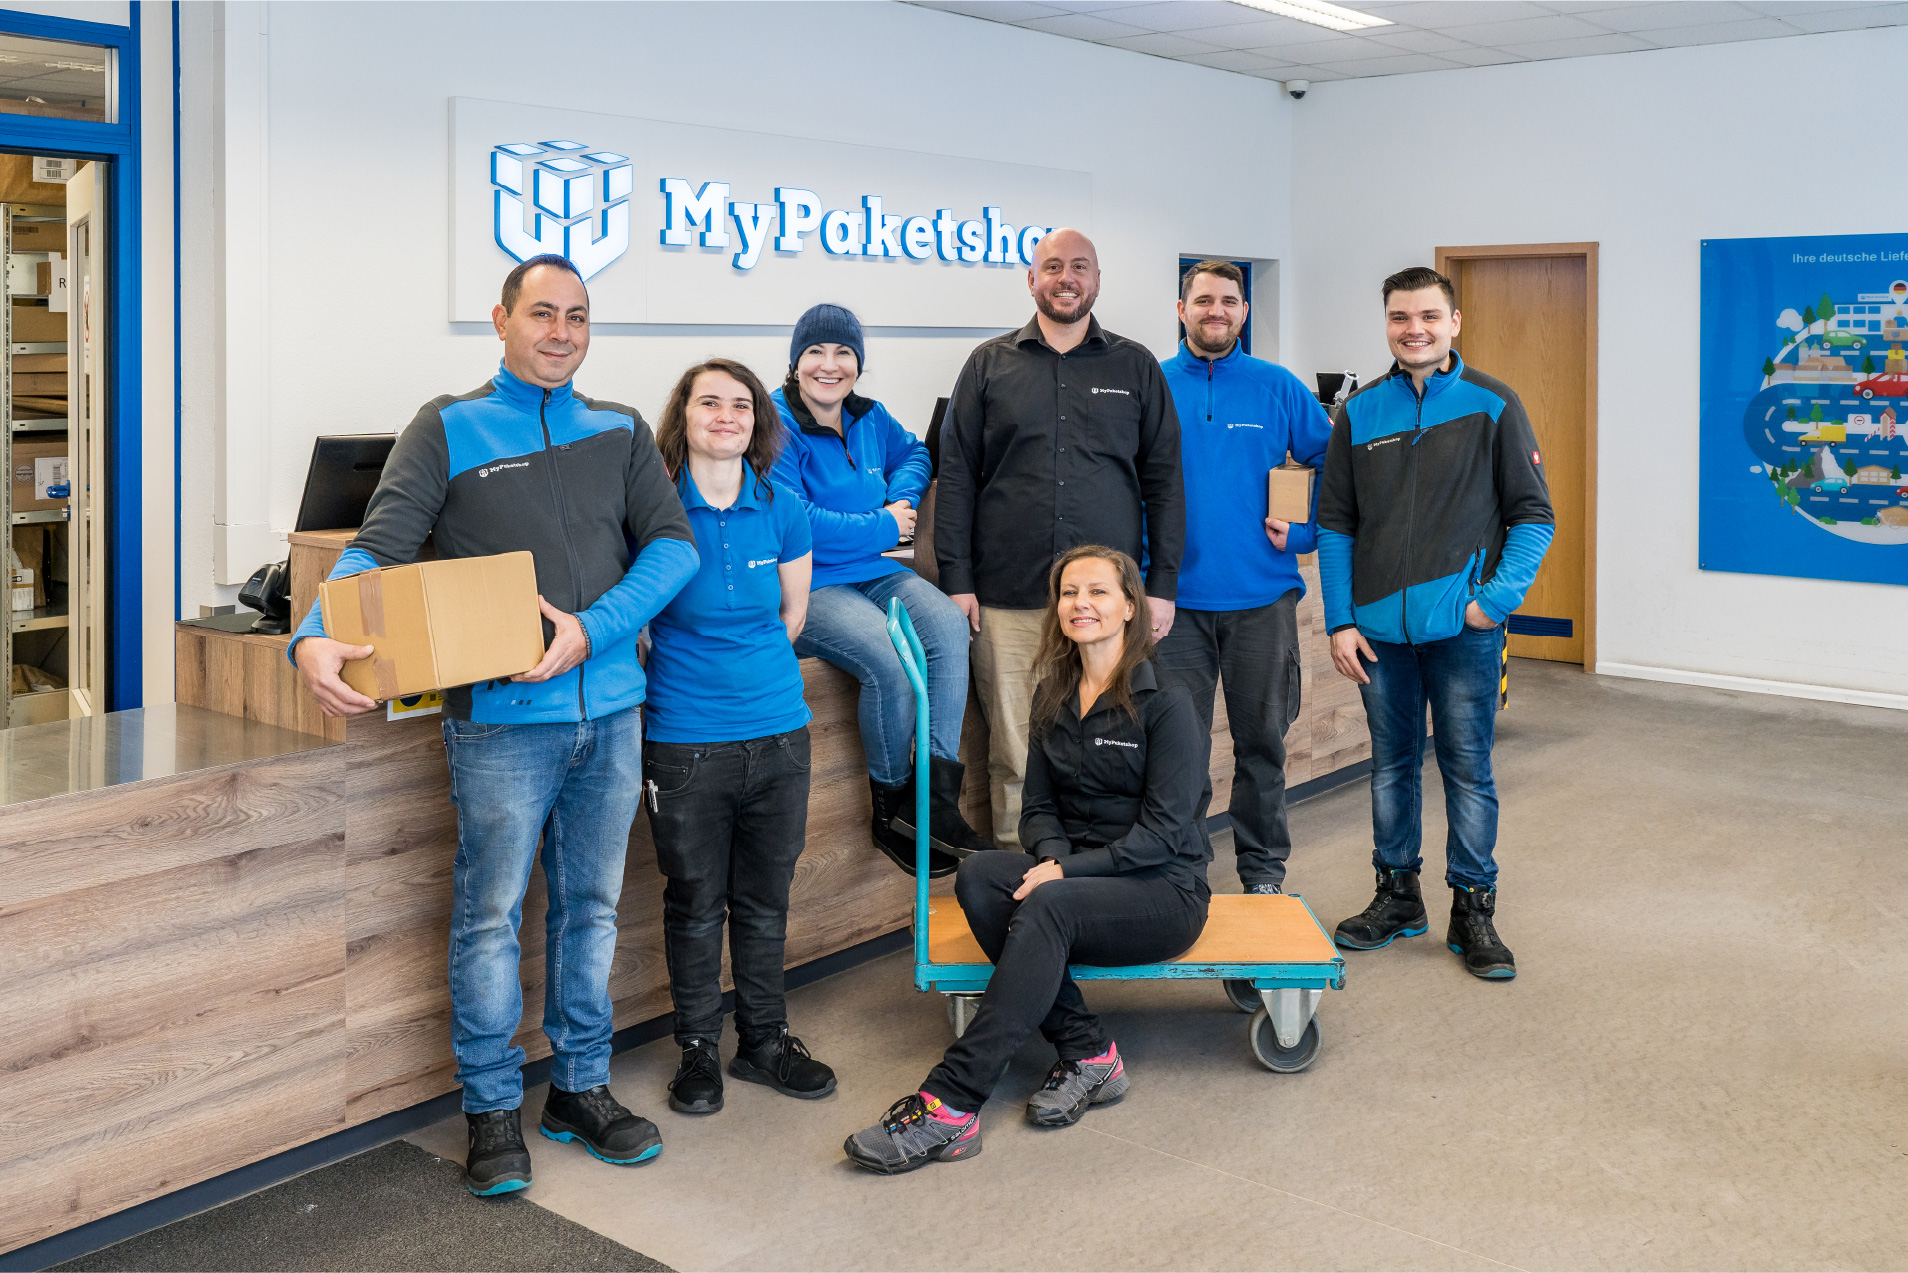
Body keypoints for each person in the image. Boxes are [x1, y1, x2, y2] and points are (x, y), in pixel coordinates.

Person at [290, 254, 699, 1196]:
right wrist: (310, 636)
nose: (562, 331)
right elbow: (376, 552)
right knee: (490, 918)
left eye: (578, 316)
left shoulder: (621, 428)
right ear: (502, 319)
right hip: (502, 726)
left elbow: (673, 547)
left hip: (613, 713)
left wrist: (592, 629)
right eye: (543, 313)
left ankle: (580, 1088)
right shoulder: (448, 426)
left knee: (593, 908)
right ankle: (490, 1107)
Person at [843, 546, 1208, 1174]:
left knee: (1049, 903)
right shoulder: (1052, 694)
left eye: (1097, 591)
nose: (1080, 604)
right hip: (1074, 882)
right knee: (980, 875)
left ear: (1130, 607)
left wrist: (1063, 873)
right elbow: (1037, 809)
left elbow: (1163, 835)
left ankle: (951, 1104)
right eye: (1069, 592)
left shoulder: (1169, 700)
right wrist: (1055, 859)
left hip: (1163, 890)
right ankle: (1090, 1054)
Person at [1316, 266, 1554, 981]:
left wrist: (1491, 604)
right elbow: (1336, 524)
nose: (1413, 329)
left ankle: (1473, 908)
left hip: (1464, 632)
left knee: (1467, 769)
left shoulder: (1493, 404)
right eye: (1399, 317)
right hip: (1379, 636)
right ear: (1387, 324)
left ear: (1454, 322)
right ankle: (1398, 896)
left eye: (1427, 316)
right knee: (1390, 767)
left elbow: (1533, 516)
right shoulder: (1359, 412)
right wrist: (1340, 620)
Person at [935, 228, 1185, 850]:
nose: (1065, 278)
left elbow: (1165, 481)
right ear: (1032, 280)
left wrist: (1161, 586)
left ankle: (1100, 877)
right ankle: (1024, 873)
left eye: (1078, 267)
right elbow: (957, 477)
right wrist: (957, 581)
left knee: (1113, 748)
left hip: (1108, 604)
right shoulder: (989, 365)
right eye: (1052, 267)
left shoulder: (1135, 366)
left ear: (1096, 281)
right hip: (1007, 597)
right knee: (1016, 749)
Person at [643, 357, 838, 1117]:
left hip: (780, 734)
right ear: (683, 416)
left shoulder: (782, 506)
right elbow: (641, 626)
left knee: (764, 900)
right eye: (709, 403)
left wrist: (747, 674)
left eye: (741, 405)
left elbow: (793, 614)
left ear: (758, 421)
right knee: (695, 903)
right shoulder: (653, 507)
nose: (726, 416)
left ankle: (764, 1040)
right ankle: (697, 1048)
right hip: (685, 741)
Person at [769, 303, 988, 877]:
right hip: (806, 582)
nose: (829, 364)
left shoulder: (868, 415)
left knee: (948, 627)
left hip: (871, 570)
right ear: (795, 362)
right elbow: (800, 523)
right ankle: (891, 810)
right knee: (889, 660)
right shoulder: (773, 423)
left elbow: (916, 452)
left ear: (858, 364)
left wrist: (904, 497)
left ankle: (934, 803)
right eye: (815, 352)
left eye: (843, 353)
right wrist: (886, 526)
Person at [1155, 261, 1332, 896]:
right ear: (1182, 309)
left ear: (1244, 311)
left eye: (1229, 301)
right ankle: (1183, 871)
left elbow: (1334, 466)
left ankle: (1262, 873)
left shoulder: (1276, 386)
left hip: (1262, 600)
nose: (1217, 311)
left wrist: (1304, 533)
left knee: (1263, 747)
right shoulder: (1152, 383)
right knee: (1180, 750)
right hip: (1173, 605)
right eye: (1204, 300)